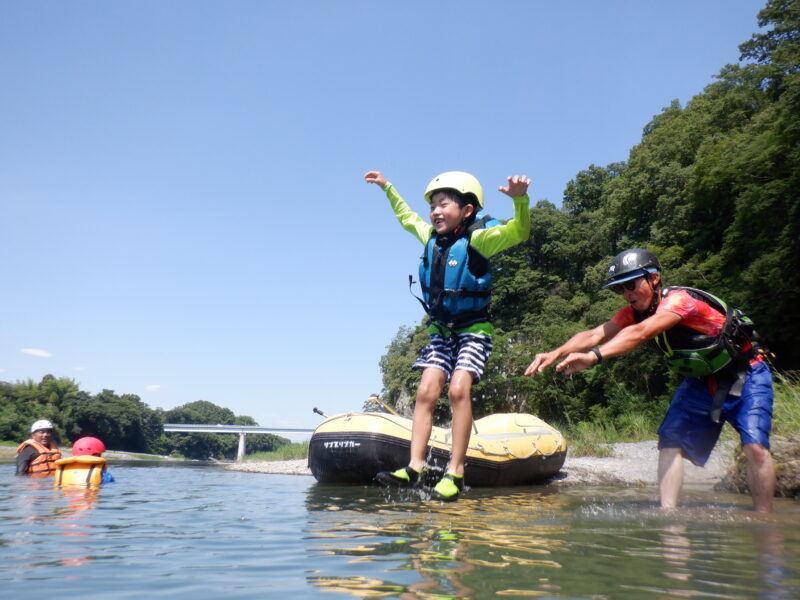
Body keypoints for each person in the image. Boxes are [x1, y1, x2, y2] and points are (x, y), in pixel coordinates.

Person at [524, 248, 776, 512]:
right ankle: (668, 516)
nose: (626, 294)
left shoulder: (681, 301)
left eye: (630, 285)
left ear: (654, 278)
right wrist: (555, 353)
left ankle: (765, 522)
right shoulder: (634, 311)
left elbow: (643, 332)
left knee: (755, 447)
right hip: (700, 382)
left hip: (746, 374)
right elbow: (594, 334)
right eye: (618, 289)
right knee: (670, 441)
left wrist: (594, 357)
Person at [365, 169, 531, 501]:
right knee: (426, 389)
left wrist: (520, 201)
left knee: (458, 390)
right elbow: (405, 217)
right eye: (433, 206)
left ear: (467, 211)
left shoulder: (479, 239)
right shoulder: (428, 235)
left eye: (444, 204)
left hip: (473, 331)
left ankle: (455, 472)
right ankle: (415, 466)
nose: (436, 211)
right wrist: (388, 187)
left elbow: (519, 232)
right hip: (442, 331)